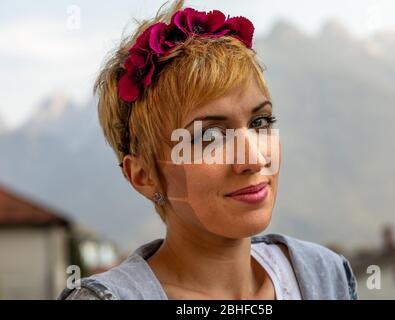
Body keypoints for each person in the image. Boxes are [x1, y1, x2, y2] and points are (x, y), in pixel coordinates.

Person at [58, 0, 358, 300]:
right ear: (143, 175)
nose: (253, 160)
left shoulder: (324, 276)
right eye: (210, 136)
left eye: (260, 121)